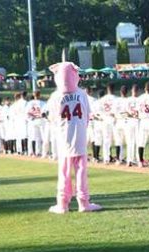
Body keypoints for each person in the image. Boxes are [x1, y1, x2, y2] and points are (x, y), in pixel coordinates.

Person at [45, 62, 101, 214]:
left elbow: (51, 118)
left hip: (63, 137)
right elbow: (87, 115)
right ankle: (83, 202)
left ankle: (62, 203)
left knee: (64, 171)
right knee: (81, 170)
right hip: (80, 136)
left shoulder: (55, 96)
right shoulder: (82, 94)